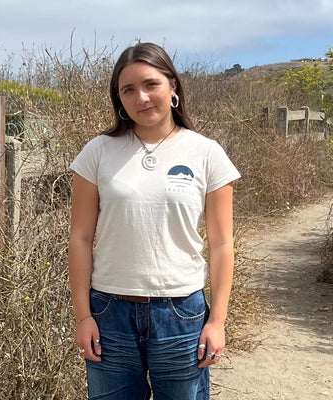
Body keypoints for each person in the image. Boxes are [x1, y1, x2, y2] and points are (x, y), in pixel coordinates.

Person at [68, 42, 241, 400]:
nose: (141, 97)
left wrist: (218, 321)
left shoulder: (206, 153)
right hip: (108, 315)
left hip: (181, 315)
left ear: (173, 86)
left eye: (151, 84)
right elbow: (80, 238)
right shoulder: (97, 152)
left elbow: (222, 244)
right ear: (118, 98)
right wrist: (83, 316)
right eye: (128, 89)